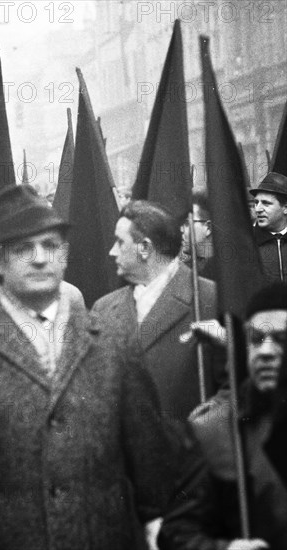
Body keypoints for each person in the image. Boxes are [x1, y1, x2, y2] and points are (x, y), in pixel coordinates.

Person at [0, 186, 176, 549]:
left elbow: (151, 473)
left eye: (50, 245)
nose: (39, 259)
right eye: (22, 248)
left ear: (65, 255)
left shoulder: (113, 343)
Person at [158, 283, 287, 550]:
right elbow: (176, 533)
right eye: (255, 339)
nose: (264, 352)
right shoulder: (214, 430)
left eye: (281, 340)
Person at [92, 200, 223, 424]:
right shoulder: (103, 308)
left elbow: (235, 387)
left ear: (145, 248)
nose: (112, 251)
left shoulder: (210, 299)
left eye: (119, 242)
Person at [249, 171, 287, 283]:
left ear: (285, 208)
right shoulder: (246, 241)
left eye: (266, 203)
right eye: (256, 203)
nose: (258, 209)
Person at [181, 189, 216, 280]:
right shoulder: (184, 267)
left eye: (187, 224)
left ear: (208, 227)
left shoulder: (223, 272)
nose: (181, 229)